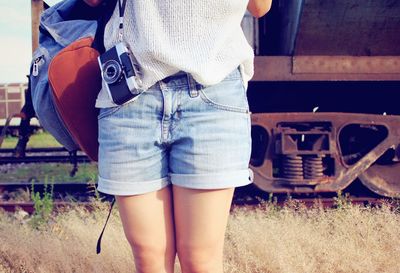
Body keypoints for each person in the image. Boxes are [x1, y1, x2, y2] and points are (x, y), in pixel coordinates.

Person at [85, 0, 272, 272]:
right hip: (132, 89)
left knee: (200, 259)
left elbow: (259, 6)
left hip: (212, 87)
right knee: (150, 258)